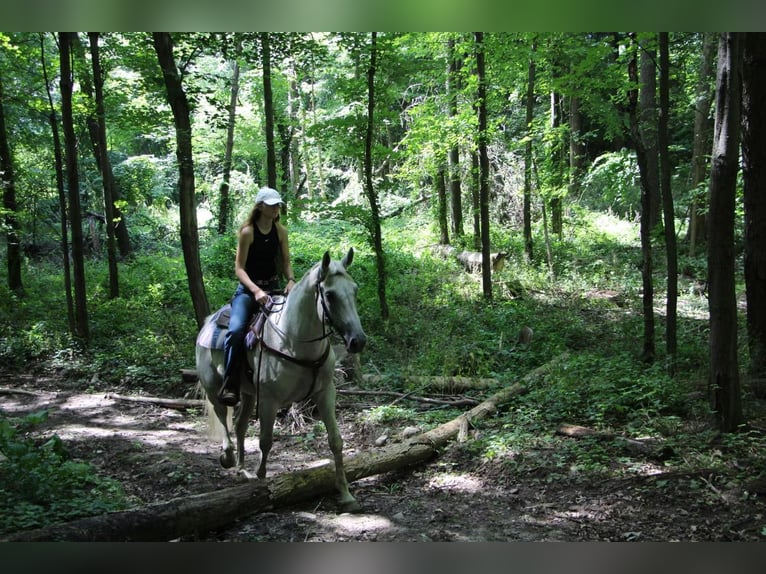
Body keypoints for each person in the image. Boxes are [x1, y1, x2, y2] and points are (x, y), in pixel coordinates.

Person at [219, 187, 296, 406]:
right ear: (260, 206)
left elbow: (286, 260)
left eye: (277, 205)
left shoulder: (280, 231)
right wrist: (255, 291)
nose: (275, 208)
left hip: (274, 289)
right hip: (247, 292)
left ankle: (286, 383)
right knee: (235, 331)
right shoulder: (248, 232)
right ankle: (230, 384)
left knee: (290, 327)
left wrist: (290, 279)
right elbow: (239, 269)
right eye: (271, 205)